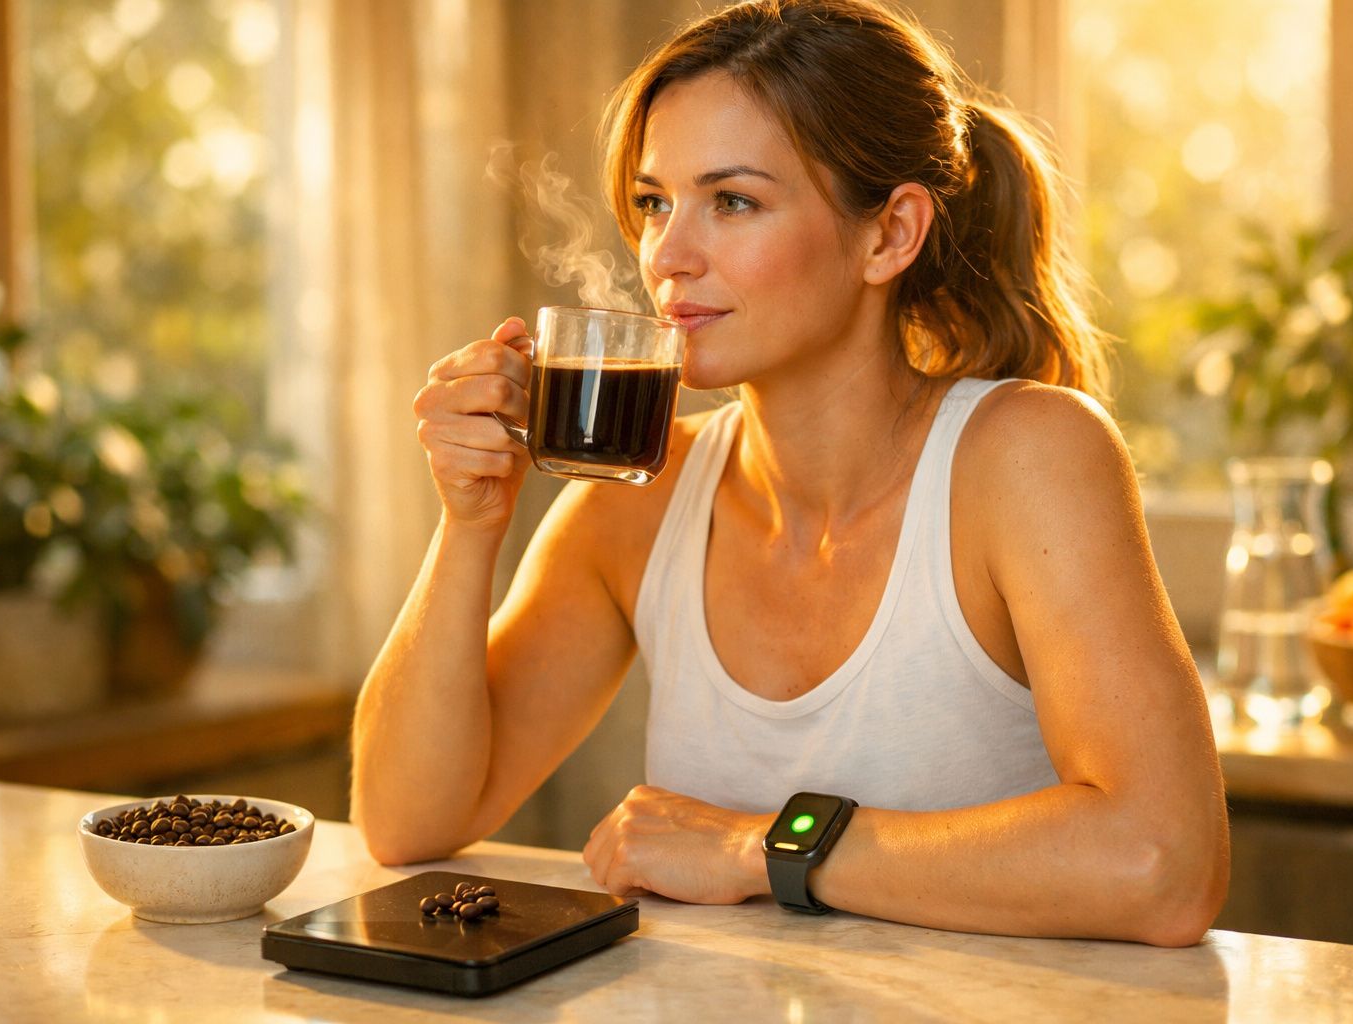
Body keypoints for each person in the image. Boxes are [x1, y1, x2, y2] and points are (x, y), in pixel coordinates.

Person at [352, 0, 1229, 946]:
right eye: (655, 202)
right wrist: (470, 522)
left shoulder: (1025, 457)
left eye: (732, 201)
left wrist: (755, 849)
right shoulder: (639, 502)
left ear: (889, 234)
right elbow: (407, 822)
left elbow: (1161, 865)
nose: (667, 257)